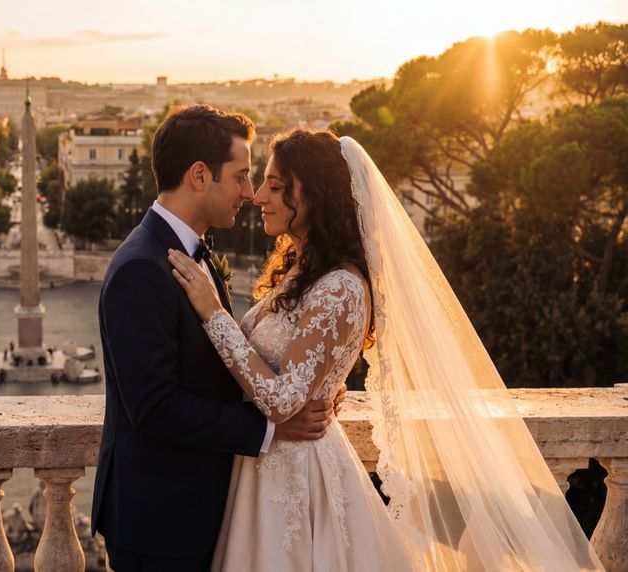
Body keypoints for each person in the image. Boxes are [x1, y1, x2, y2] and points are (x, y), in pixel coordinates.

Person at [167, 129, 602, 570]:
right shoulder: (301, 272)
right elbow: (291, 374)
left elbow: (282, 400)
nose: (259, 196)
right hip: (264, 469)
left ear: (317, 196)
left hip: (299, 478)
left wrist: (214, 314)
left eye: (276, 186)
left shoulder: (340, 288)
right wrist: (321, 385)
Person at [92, 105, 342, 572]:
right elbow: (155, 408)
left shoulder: (188, 253)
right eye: (242, 176)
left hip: (196, 512)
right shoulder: (141, 271)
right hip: (161, 525)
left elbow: (218, 364)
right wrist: (271, 428)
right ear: (200, 175)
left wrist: (313, 378)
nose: (250, 193)